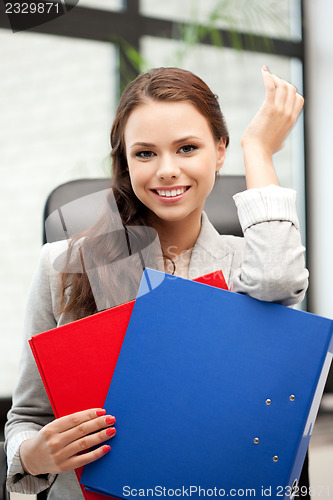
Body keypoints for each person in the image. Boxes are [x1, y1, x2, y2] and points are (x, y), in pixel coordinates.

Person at [5, 66, 308, 499]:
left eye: (187, 148)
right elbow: (27, 419)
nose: (167, 170)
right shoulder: (62, 265)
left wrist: (258, 149)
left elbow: (280, 278)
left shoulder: (249, 262)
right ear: (125, 163)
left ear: (220, 152)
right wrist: (34, 456)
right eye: (145, 153)